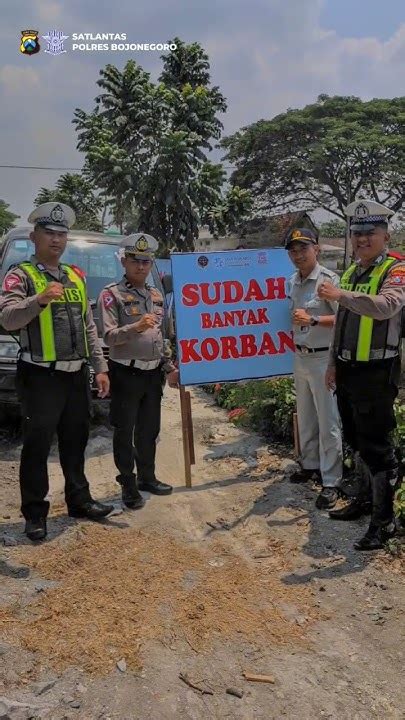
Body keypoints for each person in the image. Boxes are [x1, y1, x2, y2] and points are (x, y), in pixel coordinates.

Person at [0, 203, 113, 542]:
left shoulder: (75, 276)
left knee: (75, 441)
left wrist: (100, 367)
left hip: (75, 375)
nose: (56, 239)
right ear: (34, 236)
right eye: (49, 233)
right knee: (36, 446)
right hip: (39, 375)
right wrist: (39, 300)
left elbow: (89, 326)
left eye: (62, 234)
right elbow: (7, 319)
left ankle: (79, 501)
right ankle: (35, 514)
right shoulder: (20, 275)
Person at [319, 199, 405, 550]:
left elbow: (386, 307)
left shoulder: (395, 270)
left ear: (386, 234)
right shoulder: (353, 272)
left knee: (379, 446)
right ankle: (364, 500)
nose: (363, 239)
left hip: (377, 371)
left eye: (370, 232)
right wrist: (332, 364)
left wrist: (340, 294)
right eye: (357, 233)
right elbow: (341, 323)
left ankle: (384, 523)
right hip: (349, 370)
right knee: (355, 438)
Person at [98, 233, 179, 510]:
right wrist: (136, 327)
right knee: (124, 431)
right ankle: (128, 485)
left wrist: (168, 366)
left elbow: (161, 337)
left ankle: (147, 477)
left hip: (151, 374)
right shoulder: (111, 294)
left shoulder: (156, 295)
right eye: (135, 260)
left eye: (146, 261)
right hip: (126, 374)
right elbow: (108, 337)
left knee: (149, 430)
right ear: (124, 261)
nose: (141, 266)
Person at [286, 228, 342, 509]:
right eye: (293, 251)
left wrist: (313, 319)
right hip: (301, 356)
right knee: (306, 415)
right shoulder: (293, 282)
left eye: (303, 249)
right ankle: (310, 465)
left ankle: (331, 481)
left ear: (316, 250)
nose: (298, 255)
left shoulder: (327, 281)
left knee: (328, 422)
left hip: (323, 359)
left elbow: (344, 318)